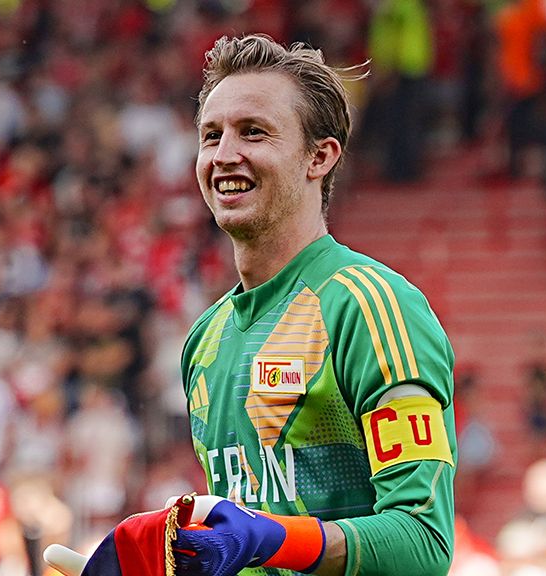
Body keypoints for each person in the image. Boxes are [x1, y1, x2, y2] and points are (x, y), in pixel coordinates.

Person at [46, 33, 456, 576]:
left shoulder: (370, 306)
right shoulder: (205, 340)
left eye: (254, 133)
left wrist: (273, 539)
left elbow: (422, 543)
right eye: (210, 136)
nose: (224, 155)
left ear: (319, 157)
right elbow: (243, 550)